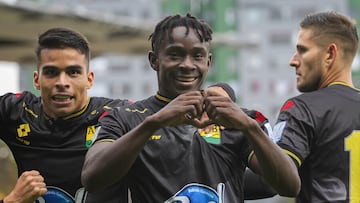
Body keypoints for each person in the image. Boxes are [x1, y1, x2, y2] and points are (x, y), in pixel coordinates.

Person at [81, 13, 300, 202]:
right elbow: (92, 178)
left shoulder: (239, 120)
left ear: (208, 62)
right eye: (175, 55)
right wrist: (154, 123)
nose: (187, 65)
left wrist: (250, 128)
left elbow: (289, 186)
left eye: (197, 56)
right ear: (154, 60)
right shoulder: (124, 118)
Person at [0, 27, 130, 203]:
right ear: (37, 80)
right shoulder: (15, 111)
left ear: (89, 79)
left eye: (73, 72)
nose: (62, 83)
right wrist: (13, 201)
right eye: (51, 72)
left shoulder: (119, 115)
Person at [270, 11, 360, 202]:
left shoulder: (303, 108)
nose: (293, 61)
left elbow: (275, 179)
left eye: (302, 50)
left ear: (330, 54)